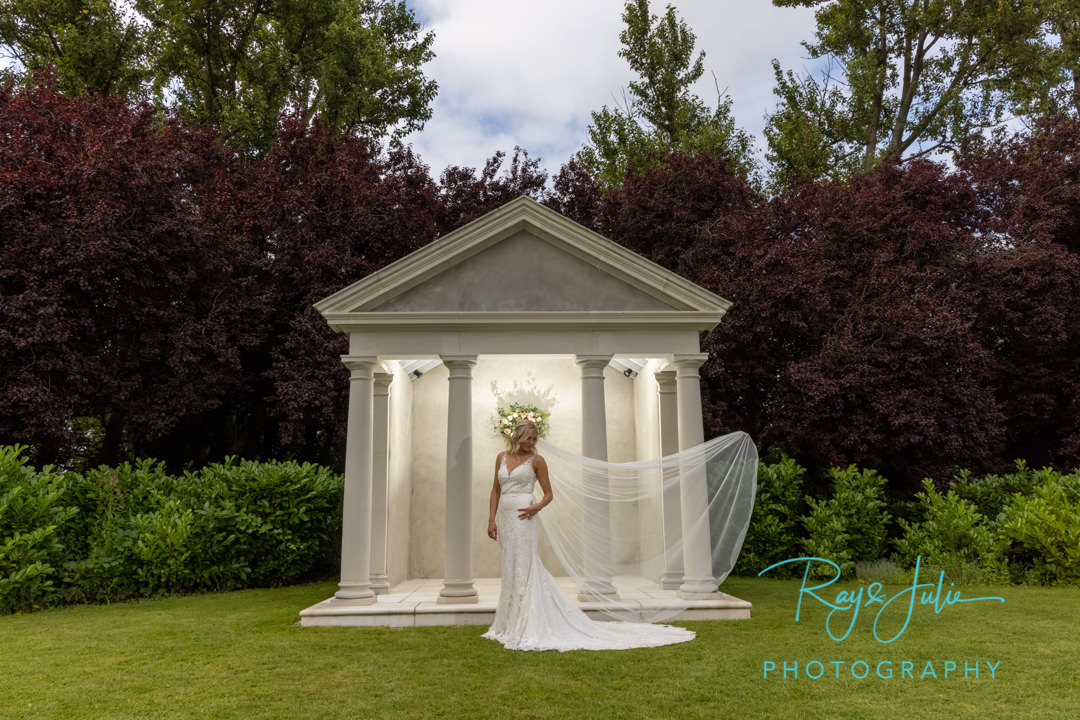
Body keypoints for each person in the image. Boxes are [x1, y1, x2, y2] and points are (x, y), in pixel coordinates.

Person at [482, 419, 695, 651]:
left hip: (525, 517)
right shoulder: (501, 457)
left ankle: (527, 622)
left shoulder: (538, 461)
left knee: (524, 565)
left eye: (535, 439)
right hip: (505, 516)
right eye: (529, 438)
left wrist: (536, 507)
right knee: (511, 565)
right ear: (518, 436)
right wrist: (491, 519)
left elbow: (549, 494)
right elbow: (495, 489)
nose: (532, 443)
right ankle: (510, 621)